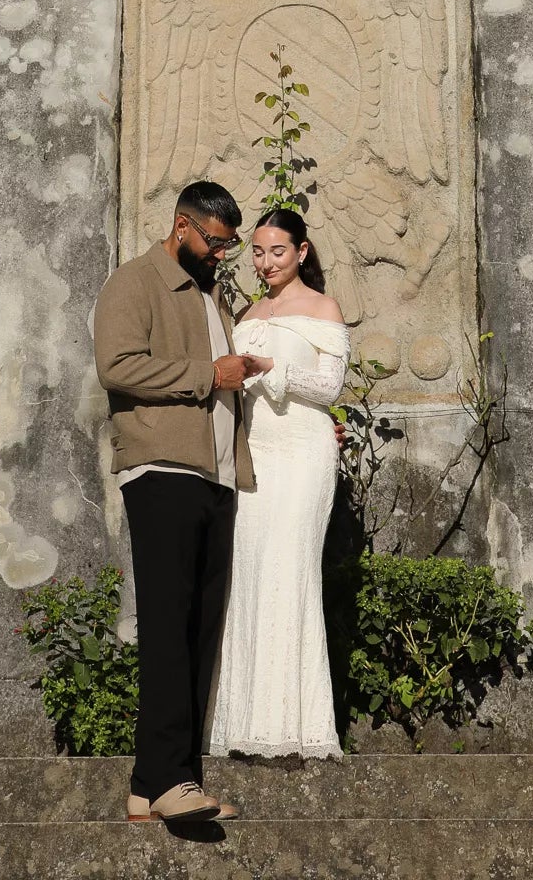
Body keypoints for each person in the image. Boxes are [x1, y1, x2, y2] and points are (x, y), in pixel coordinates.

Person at [93, 180, 269, 824]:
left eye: (228, 245)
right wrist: (208, 375)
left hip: (215, 476)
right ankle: (172, 779)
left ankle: (155, 781)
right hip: (163, 470)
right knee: (171, 627)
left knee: (199, 628)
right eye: (216, 242)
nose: (223, 255)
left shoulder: (208, 294)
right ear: (181, 226)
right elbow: (116, 366)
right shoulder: (134, 283)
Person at [207, 207, 351, 759]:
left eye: (279, 251)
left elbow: (330, 387)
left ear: (302, 252)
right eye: (260, 252)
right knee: (248, 575)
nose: (267, 262)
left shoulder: (323, 308)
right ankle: (241, 727)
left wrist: (271, 368)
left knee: (290, 573)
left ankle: (296, 729)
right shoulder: (246, 311)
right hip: (254, 456)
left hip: (303, 454)